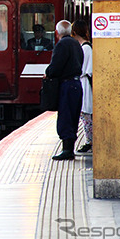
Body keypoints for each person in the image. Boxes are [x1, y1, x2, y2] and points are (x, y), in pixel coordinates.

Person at [44, 20, 83, 161]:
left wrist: (48, 72)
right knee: (73, 116)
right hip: (76, 84)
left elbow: (55, 67)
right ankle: (69, 148)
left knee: (65, 116)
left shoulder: (62, 45)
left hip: (66, 85)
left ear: (57, 33)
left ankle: (67, 150)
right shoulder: (76, 43)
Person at [72, 20, 92, 153]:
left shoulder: (85, 48)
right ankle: (88, 140)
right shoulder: (85, 47)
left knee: (86, 114)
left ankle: (89, 141)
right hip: (83, 82)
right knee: (84, 114)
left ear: (74, 32)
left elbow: (85, 69)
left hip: (85, 83)